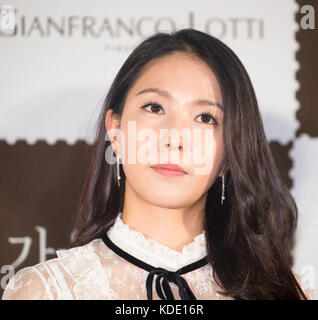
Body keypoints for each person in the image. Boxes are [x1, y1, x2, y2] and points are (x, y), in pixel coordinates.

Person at [2, 28, 312, 300]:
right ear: (116, 131)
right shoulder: (45, 291)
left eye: (205, 118)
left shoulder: (288, 292)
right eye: (155, 107)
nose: (174, 139)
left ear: (229, 154)